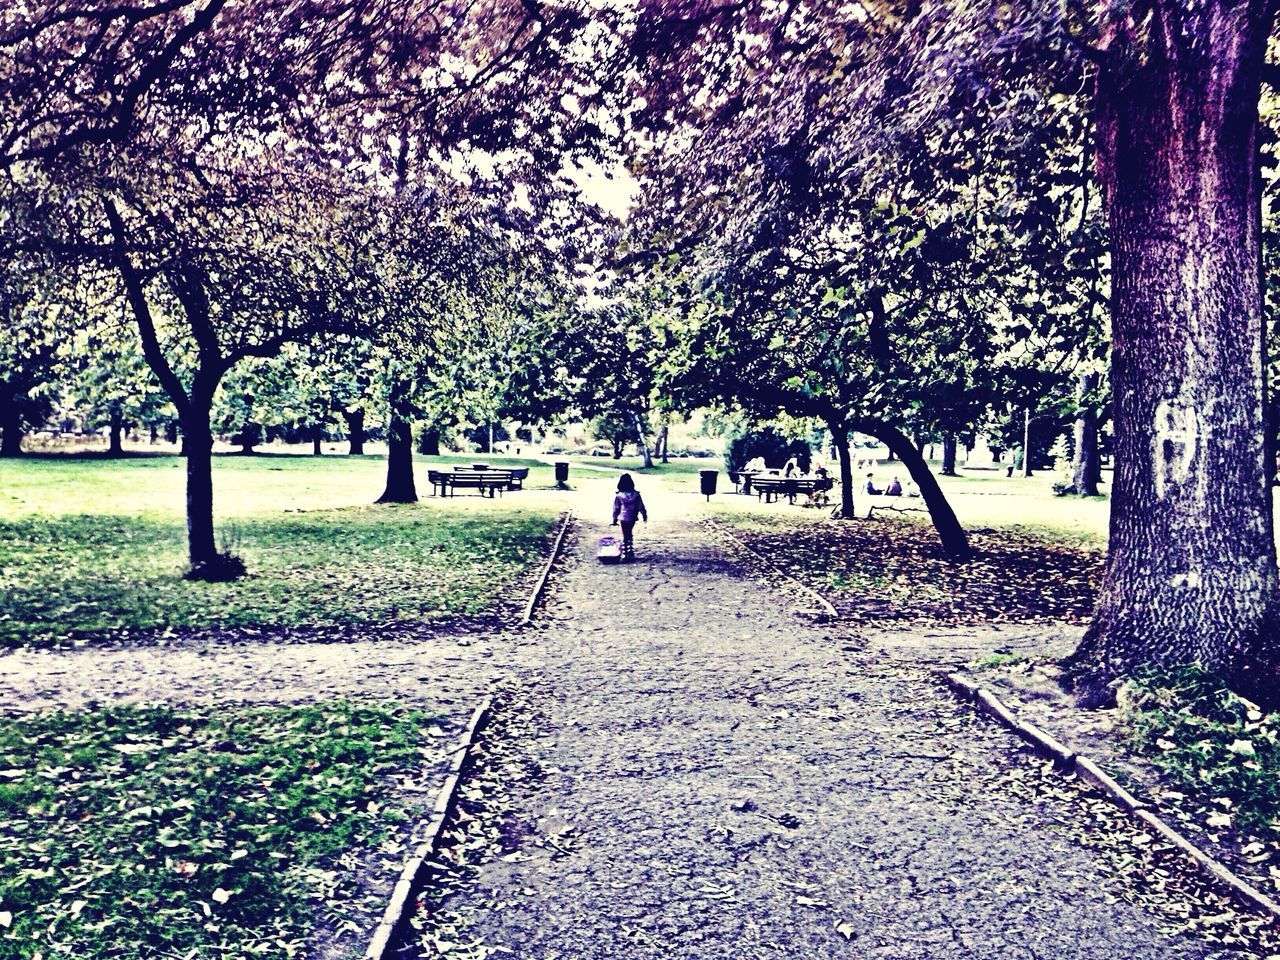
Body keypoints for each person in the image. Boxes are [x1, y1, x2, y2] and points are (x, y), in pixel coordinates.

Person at [611, 473, 648, 561]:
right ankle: (630, 550)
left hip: (623, 517)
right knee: (629, 532)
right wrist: (644, 514)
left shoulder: (619, 496)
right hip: (632, 516)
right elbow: (640, 506)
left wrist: (614, 519)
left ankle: (625, 551)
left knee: (625, 534)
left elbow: (616, 508)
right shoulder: (636, 495)